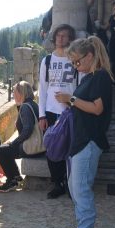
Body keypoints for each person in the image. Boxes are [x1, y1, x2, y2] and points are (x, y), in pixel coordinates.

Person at [53, 36, 113, 228]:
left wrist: (70, 99)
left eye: (77, 62)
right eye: (73, 63)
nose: (75, 66)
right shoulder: (90, 77)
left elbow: (97, 108)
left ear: (89, 56)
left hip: (89, 141)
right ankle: (82, 227)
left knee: (81, 188)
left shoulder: (100, 77)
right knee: (74, 187)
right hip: (81, 140)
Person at [38, 23, 77, 199]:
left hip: (70, 110)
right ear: (54, 38)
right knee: (53, 148)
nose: (61, 38)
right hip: (51, 111)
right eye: (59, 35)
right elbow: (43, 88)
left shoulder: (75, 59)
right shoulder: (47, 60)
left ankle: (71, 184)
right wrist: (42, 115)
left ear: (70, 38)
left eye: (65, 35)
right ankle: (57, 183)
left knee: (71, 148)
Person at [0, 81, 39, 193]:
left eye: (14, 92)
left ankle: (12, 180)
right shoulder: (33, 104)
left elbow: (27, 130)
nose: (13, 95)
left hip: (30, 147)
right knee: (5, 148)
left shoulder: (25, 107)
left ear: (21, 93)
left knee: (0, 151)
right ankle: (16, 177)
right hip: (36, 145)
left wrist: (15, 142)